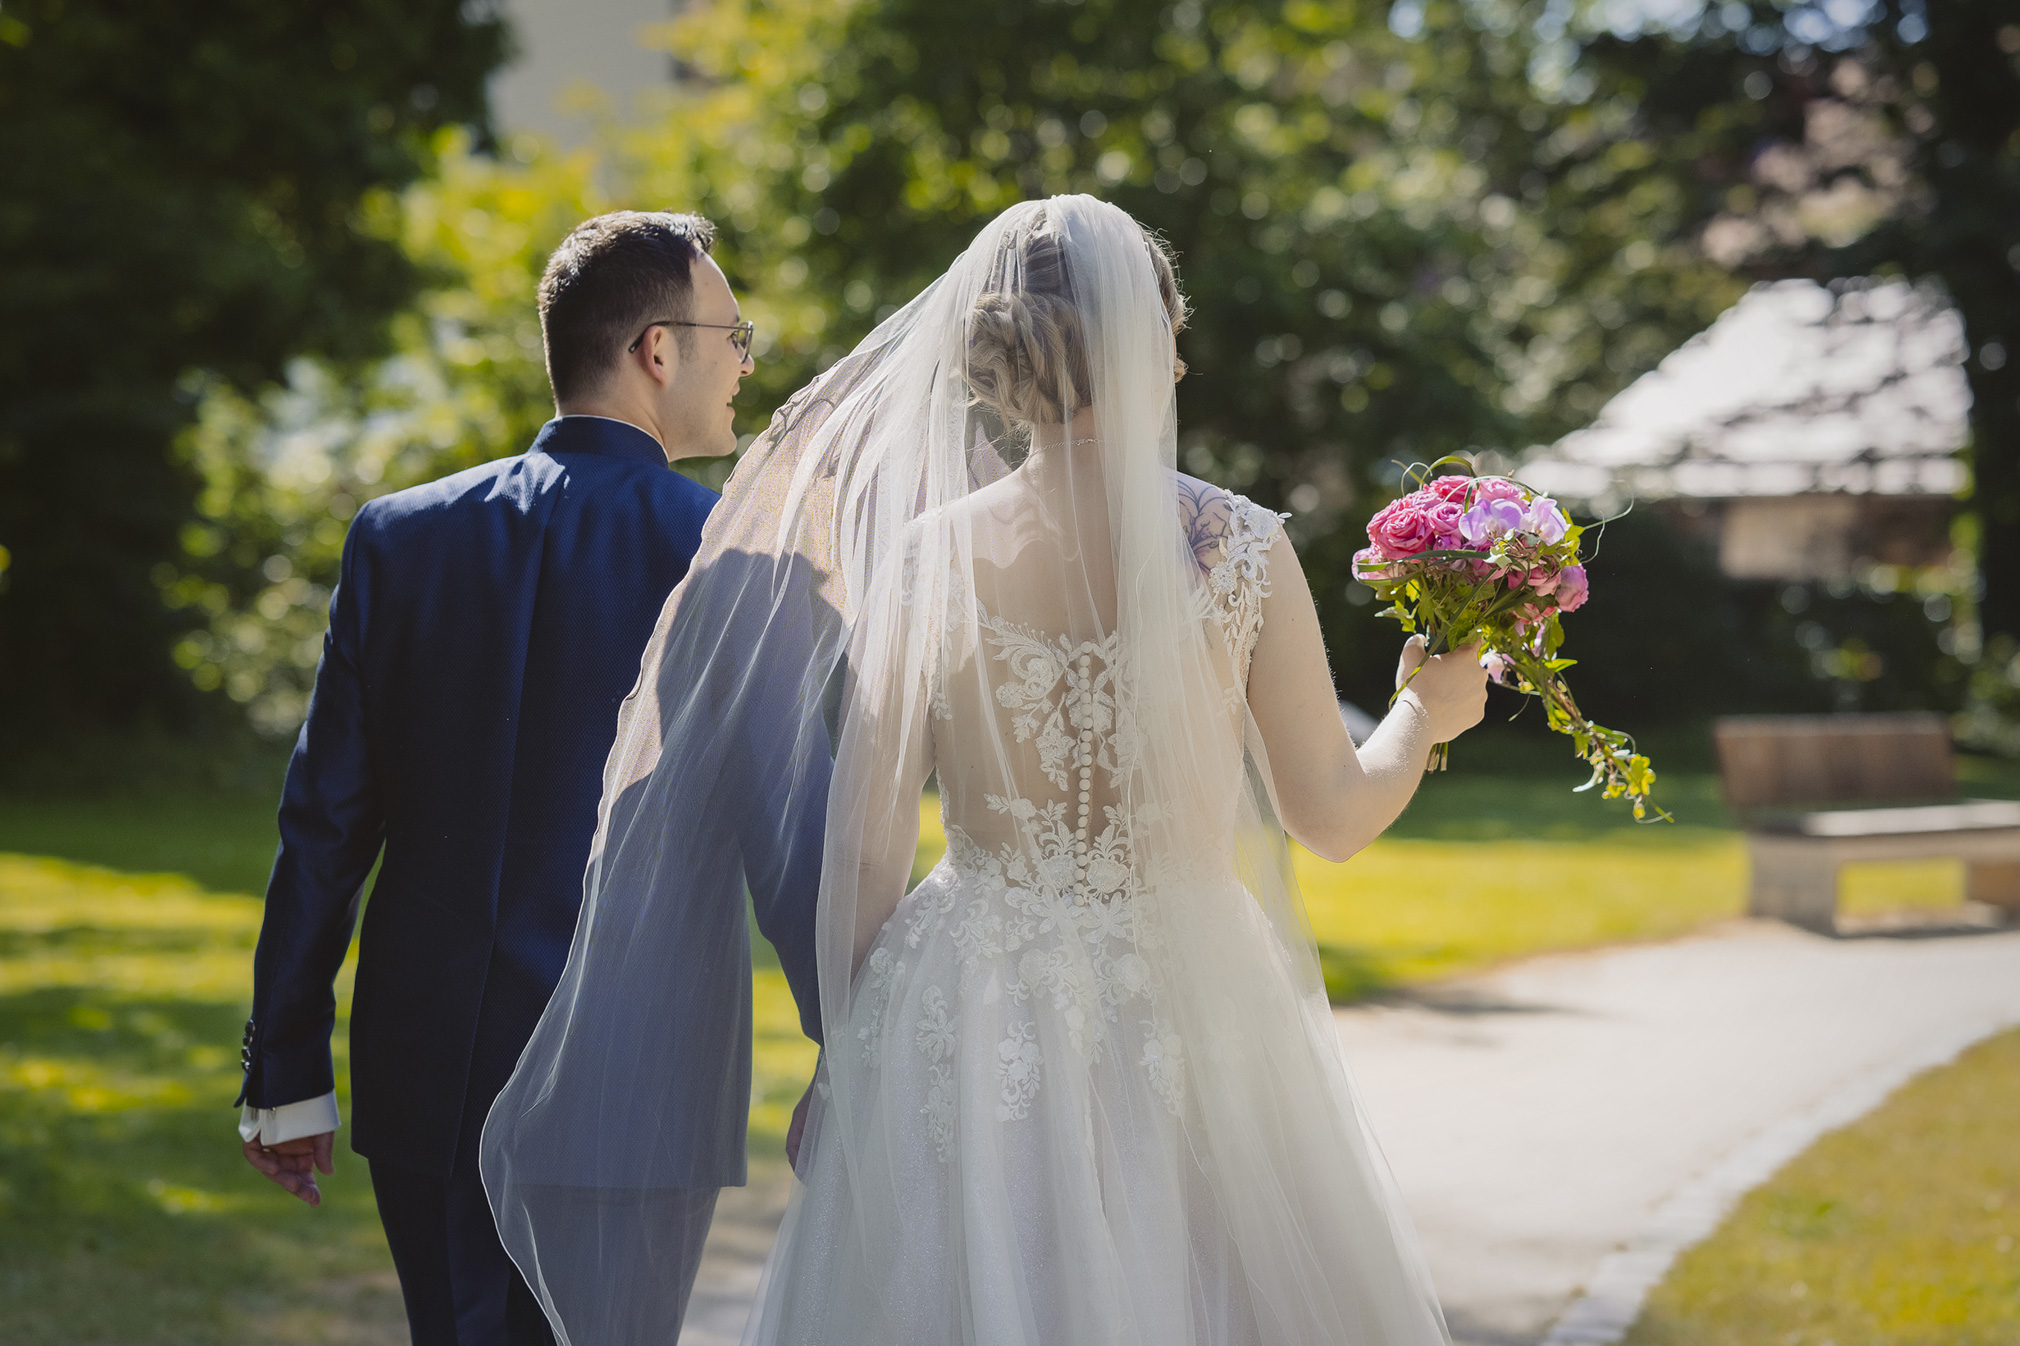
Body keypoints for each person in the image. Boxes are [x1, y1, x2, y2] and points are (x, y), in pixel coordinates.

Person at [486, 195, 1485, 1344]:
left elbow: (865, 844)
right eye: (1168, 325)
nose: (1182, 352)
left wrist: (847, 1054)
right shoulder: (1240, 548)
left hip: (969, 996)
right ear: (1136, 338)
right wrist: (1425, 704)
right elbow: (1334, 816)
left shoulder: (931, 554)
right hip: (1196, 992)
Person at [235, 209, 822, 1346]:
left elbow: (323, 826)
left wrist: (288, 1066)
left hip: (431, 1068)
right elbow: (789, 838)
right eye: (731, 333)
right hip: (638, 1077)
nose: (745, 362)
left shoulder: (397, 537)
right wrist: (856, 1047)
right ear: (660, 349)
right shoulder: (737, 560)